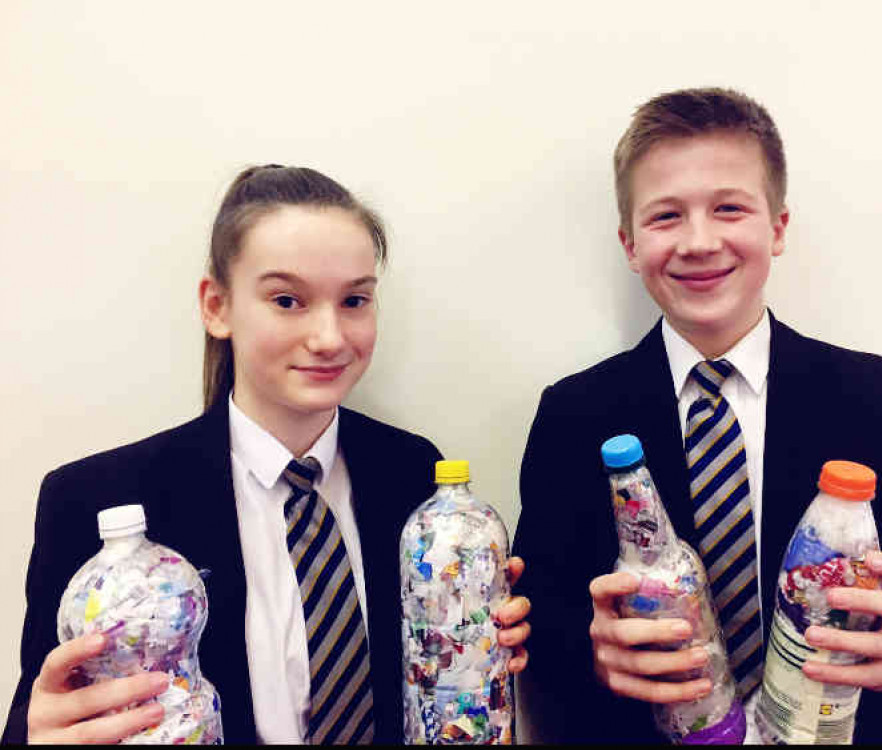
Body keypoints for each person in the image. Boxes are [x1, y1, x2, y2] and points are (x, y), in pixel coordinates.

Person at [3, 165, 531, 745]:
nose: (330, 336)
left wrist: (483, 652)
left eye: (355, 300)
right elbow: (46, 718)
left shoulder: (412, 474)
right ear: (217, 306)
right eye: (287, 300)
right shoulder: (97, 501)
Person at [512, 88, 882, 744]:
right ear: (629, 243)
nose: (699, 242)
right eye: (666, 216)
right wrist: (591, 649)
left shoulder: (877, 397)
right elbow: (544, 612)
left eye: (728, 207)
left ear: (777, 228)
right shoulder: (572, 414)